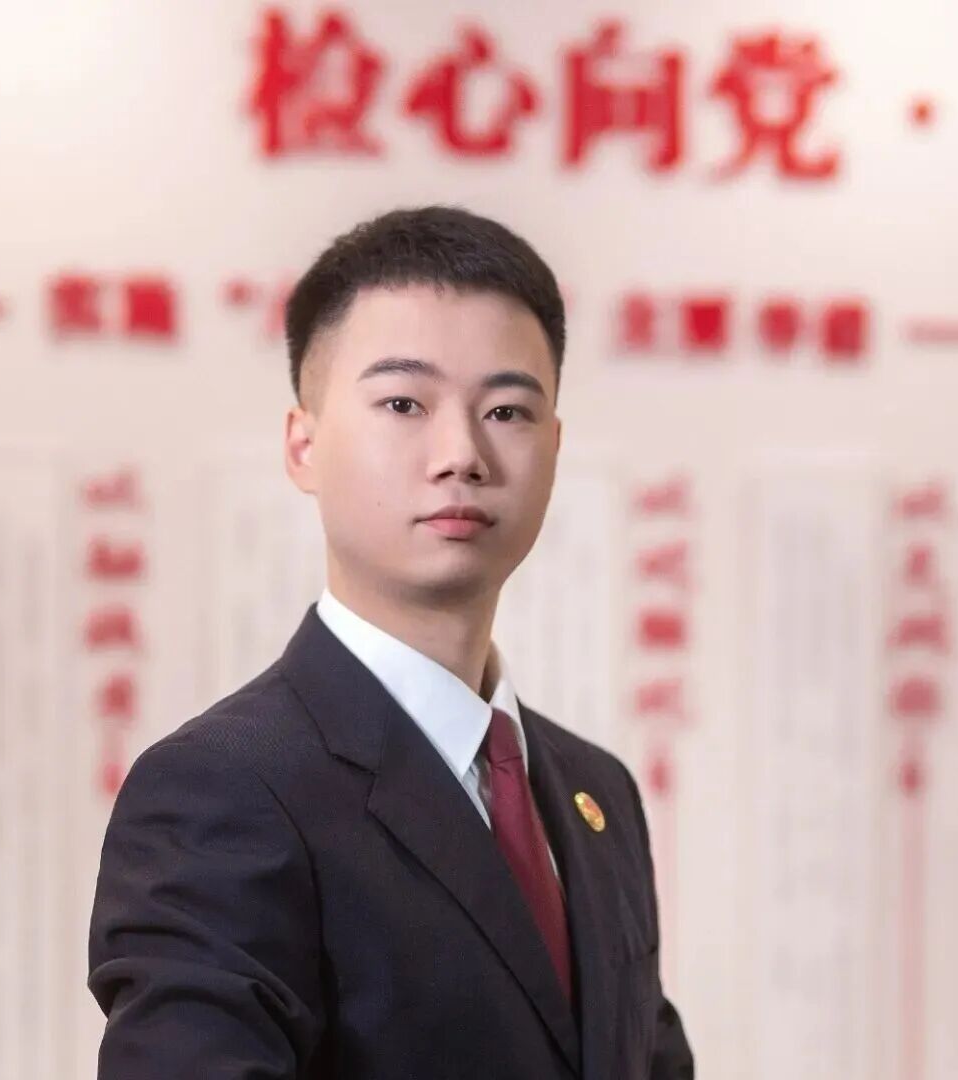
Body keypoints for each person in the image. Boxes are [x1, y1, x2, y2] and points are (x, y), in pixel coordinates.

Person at [87, 204, 694, 1078]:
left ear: (555, 447)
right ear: (303, 445)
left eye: (508, 411)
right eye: (404, 403)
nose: (462, 453)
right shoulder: (221, 790)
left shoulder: (596, 792)